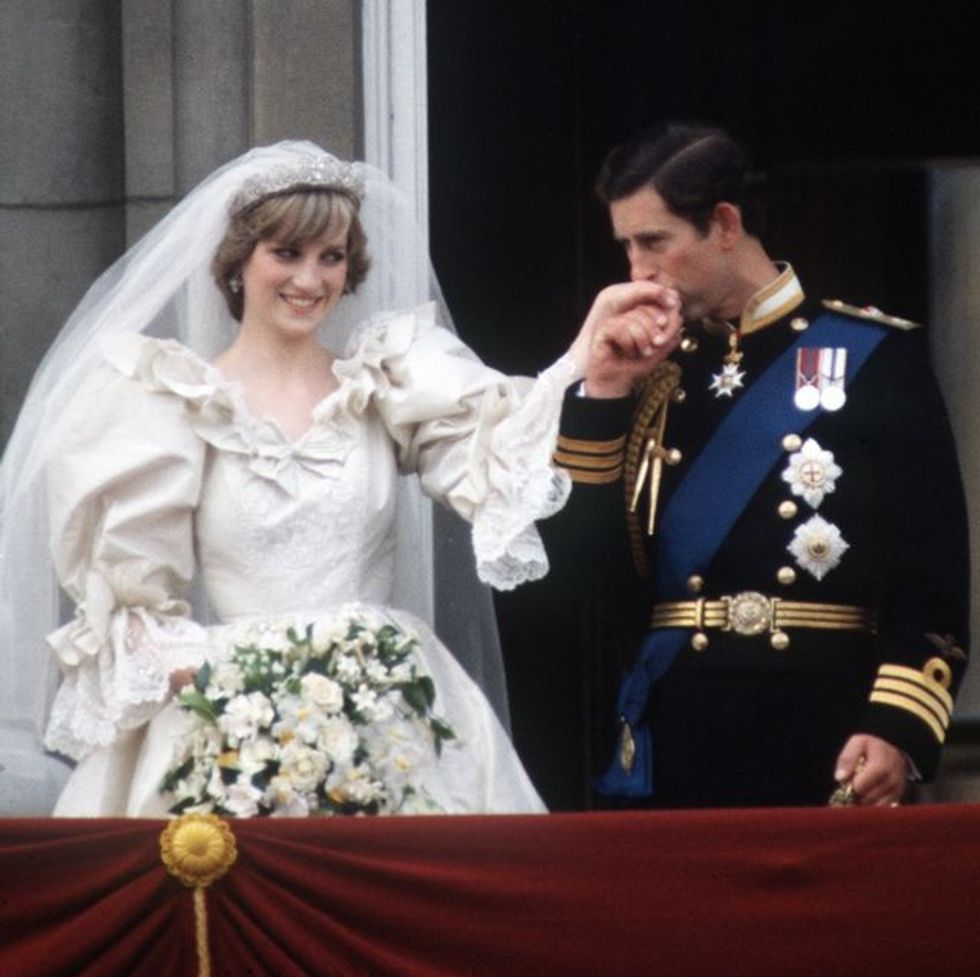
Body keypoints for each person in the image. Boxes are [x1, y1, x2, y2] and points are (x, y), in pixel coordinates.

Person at [0, 140, 678, 817]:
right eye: (287, 253)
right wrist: (230, 693)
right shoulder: (172, 400)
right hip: (231, 722)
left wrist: (590, 365)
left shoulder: (389, 377)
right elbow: (131, 596)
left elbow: (506, 462)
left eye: (332, 257)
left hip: (391, 705)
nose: (310, 279)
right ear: (238, 262)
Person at [546, 122, 969, 808]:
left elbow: (933, 579)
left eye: (654, 243)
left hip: (825, 731)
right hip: (677, 734)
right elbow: (579, 581)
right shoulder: (646, 373)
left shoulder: (873, 357)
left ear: (724, 223)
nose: (636, 272)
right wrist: (601, 395)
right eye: (625, 246)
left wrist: (895, 725)